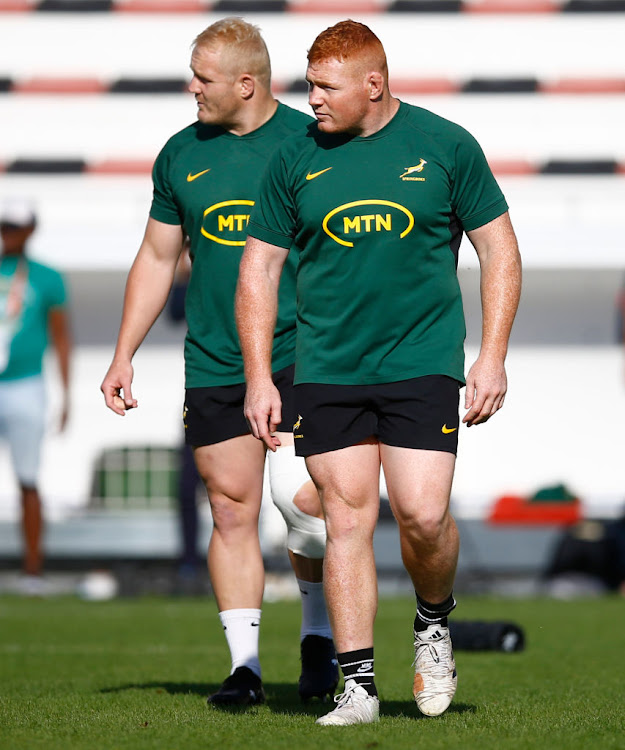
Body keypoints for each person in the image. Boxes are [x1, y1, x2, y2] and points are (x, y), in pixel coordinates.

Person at [236, 19, 522, 725]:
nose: (312, 99)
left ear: (374, 83)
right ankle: (357, 684)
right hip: (326, 369)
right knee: (345, 519)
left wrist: (491, 356)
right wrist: (258, 376)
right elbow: (259, 267)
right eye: (309, 84)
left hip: (422, 363)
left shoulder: (445, 146)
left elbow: (500, 251)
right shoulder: (293, 158)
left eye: (326, 87)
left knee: (423, 515)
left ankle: (432, 625)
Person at [100, 18, 337, 705]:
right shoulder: (180, 154)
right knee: (230, 509)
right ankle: (246, 668)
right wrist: (123, 354)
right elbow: (156, 257)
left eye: (203, 79)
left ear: (246, 83)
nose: (192, 89)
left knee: (300, 503)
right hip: (214, 358)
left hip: (302, 351)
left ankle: (319, 636)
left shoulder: (311, 141)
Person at [0, 198, 71, 595]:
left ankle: (32, 569)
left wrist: (65, 397)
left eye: (12, 227)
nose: (6, 234)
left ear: (29, 230)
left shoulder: (47, 278)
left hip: (26, 384)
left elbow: (62, 339)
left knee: (28, 478)